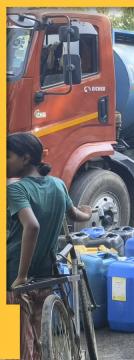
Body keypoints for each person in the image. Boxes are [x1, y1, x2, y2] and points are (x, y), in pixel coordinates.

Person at [6, 132, 92, 360]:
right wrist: (87, 212)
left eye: (8, 156)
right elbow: (75, 215)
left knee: (16, 346)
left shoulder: (15, 189)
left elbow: (31, 226)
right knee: (36, 339)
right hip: (45, 276)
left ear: (25, 158)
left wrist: (21, 276)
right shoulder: (58, 185)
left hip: (14, 277)